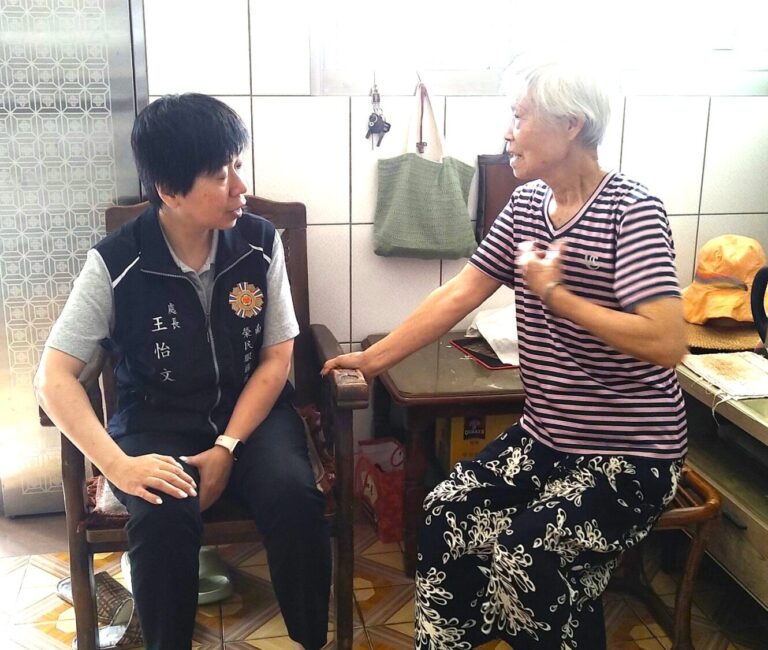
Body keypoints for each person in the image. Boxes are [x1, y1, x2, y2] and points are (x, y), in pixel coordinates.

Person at [323, 55, 688, 649]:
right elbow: (458, 294)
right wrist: (371, 359)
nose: (507, 132)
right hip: (548, 439)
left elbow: (667, 341)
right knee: (448, 512)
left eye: (519, 117)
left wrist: (557, 297)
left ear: (571, 124)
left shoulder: (631, 210)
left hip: (632, 455)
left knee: (528, 555)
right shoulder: (524, 207)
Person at [35, 94, 330, 650]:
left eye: (237, 166)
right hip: (157, 421)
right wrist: (118, 467)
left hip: (252, 417)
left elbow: (276, 358)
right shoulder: (116, 262)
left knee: (293, 496)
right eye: (220, 176)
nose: (240, 187)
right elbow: (52, 378)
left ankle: (312, 639)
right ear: (168, 191)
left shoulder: (260, 243)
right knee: (161, 513)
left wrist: (226, 447)